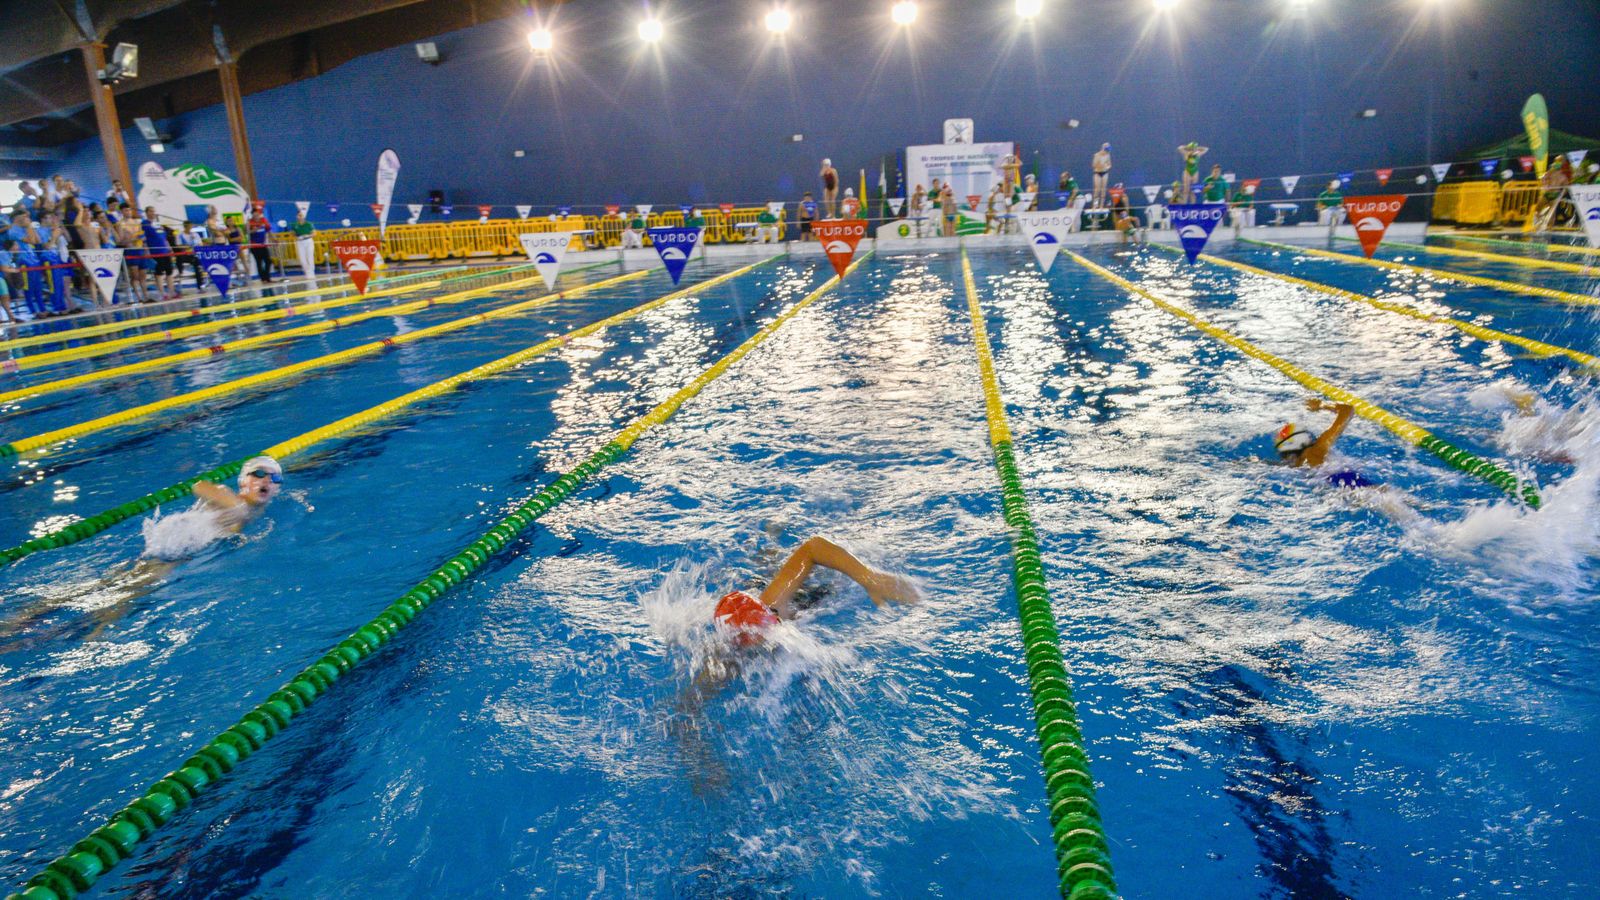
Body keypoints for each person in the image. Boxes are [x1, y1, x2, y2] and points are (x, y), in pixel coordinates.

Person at [710, 536, 919, 649]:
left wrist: (869, 579)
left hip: (804, 594)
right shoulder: (730, 661)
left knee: (773, 568)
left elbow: (813, 547)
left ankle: (770, 538)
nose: (776, 623)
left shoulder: (772, 602)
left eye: (772, 617)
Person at [1273, 398, 1370, 486]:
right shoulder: (1317, 448)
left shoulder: (1296, 466)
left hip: (1331, 487)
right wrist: (1322, 405)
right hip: (1348, 480)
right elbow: (1348, 410)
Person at [141, 207, 177, 301]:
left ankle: (172, 292)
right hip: (155, 251)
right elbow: (143, 239)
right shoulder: (145, 224)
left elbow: (164, 237)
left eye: (154, 211)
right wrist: (147, 251)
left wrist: (169, 248)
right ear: (146, 213)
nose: (153, 213)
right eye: (151, 211)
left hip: (165, 250)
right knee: (159, 272)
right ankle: (162, 293)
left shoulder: (158, 224)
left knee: (169, 271)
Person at [247, 206, 275, 282]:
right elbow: (247, 233)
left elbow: (269, 230)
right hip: (254, 246)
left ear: (259, 214)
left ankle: (267, 276)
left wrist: (274, 239)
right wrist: (253, 230)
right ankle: (263, 278)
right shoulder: (250, 222)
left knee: (268, 261)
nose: (256, 217)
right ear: (252, 215)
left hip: (262, 245)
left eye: (257, 215)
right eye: (254, 215)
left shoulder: (264, 220)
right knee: (259, 262)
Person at [291, 211, 316, 280]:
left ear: (304, 216)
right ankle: (306, 272)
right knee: (302, 258)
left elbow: (314, 233)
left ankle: (311, 272)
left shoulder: (309, 224)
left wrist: (307, 236)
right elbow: (293, 234)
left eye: (301, 215)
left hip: (308, 241)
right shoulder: (294, 225)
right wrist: (298, 237)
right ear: (296, 216)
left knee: (309, 257)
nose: (300, 217)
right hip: (300, 241)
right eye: (299, 215)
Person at [1092, 143, 1112, 208]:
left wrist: (1107, 167)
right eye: (1106, 150)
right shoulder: (1097, 155)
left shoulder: (1108, 155)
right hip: (1097, 173)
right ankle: (1095, 205)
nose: (1106, 152)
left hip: (1105, 173)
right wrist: (1099, 165)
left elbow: (1109, 164)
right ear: (1103, 148)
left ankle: (1101, 205)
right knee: (1097, 190)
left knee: (1103, 189)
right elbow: (1093, 165)